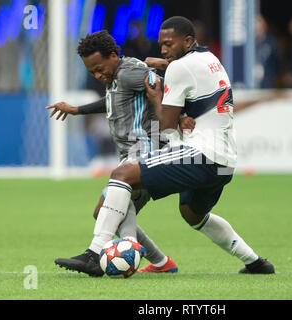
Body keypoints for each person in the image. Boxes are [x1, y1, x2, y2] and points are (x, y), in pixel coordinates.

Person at [60, 16, 275, 275]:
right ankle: (256, 263)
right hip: (224, 161)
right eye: (161, 45)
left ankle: (95, 254)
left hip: (200, 155)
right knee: (192, 214)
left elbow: (167, 125)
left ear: (187, 41)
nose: (163, 50)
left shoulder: (176, 68)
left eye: (168, 44)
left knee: (122, 175)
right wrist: (165, 70)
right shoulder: (210, 60)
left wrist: (156, 96)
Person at [47, 30, 195, 276]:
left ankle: (95, 255)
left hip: (145, 149)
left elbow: (167, 84)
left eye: (99, 68)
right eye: (91, 71)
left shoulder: (130, 72)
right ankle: (161, 263)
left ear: (114, 55)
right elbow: (111, 101)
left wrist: (181, 115)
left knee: (113, 209)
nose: (97, 74)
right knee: (106, 212)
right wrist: (76, 110)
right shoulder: (116, 75)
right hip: (129, 153)